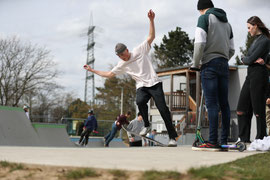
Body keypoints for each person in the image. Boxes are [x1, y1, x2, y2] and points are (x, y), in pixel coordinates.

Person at [83, 9, 178, 147]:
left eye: (124, 54)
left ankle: (172, 137)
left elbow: (151, 36)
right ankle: (146, 124)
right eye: (121, 56)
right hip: (142, 86)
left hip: (154, 83)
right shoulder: (122, 64)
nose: (124, 57)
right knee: (139, 101)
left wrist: (151, 20)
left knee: (163, 109)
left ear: (127, 50)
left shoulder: (140, 50)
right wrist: (92, 70)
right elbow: (109, 74)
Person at [192, 0, 235, 148]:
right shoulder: (227, 24)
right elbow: (232, 49)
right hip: (224, 64)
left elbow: (199, 43)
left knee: (211, 104)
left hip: (209, 64)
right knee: (224, 104)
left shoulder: (204, 18)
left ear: (201, 9)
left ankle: (212, 141)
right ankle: (223, 141)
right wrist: (222, 59)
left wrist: (195, 63)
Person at [237, 16, 270, 142]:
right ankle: (243, 138)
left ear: (256, 25)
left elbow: (249, 59)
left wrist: (246, 59)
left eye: (249, 28)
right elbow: (249, 58)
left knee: (258, 109)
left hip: (259, 75)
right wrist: (247, 58)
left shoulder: (265, 41)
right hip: (250, 75)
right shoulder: (256, 40)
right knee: (242, 107)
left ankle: (260, 138)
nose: (248, 30)